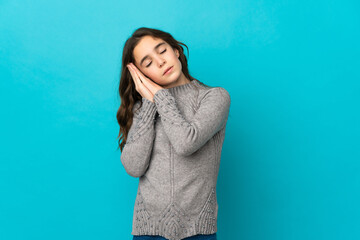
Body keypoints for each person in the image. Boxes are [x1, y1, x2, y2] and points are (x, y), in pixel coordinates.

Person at [116, 27, 231, 240]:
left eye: (162, 51)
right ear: (142, 75)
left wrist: (160, 97)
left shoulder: (215, 97)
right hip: (147, 230)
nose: (160, 62)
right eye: (148, 63)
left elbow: (186, 142)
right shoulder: (142, 110)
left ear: (176, 51)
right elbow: (133, 167)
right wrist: (150, 103)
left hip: (197, 230)